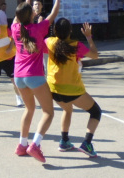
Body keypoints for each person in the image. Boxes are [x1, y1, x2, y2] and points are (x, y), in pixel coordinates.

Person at [12, 0, 63, 163]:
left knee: (29, 109)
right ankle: (35, 144)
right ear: (32, 14)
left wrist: (26, 3)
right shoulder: (38, 28)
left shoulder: (15, 28)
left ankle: (22, 145)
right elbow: (53, 14)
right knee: (48, 112)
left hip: (18, 76)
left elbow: (17, 18)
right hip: (34, 75)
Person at [46, 19, 101, 158]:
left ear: (55, 31)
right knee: (96, 112)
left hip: (53, 89)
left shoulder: (49, 42)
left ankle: (64, 141)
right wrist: (89, 37)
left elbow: (38, 41)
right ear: (70, 31)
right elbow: (95, 55)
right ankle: (87, 143)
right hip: (72, 90)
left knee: (67, 109)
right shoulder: (76, 45)